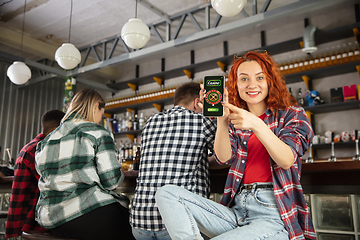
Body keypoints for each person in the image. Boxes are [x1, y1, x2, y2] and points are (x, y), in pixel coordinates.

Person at [155, 51, 316, 240]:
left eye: (260, 77)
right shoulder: (236, 120)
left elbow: (287, 159)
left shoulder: (292, 114)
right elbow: (223, 158)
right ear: (236, 85)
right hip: (236, 209)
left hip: (273, 213)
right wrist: (222, 120)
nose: (252, 84)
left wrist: (256, 124)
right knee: (166, 194)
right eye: (244, 79)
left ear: (270, 80)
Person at [34, 89, 135, 240]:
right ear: (95, 106)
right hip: (83, 213)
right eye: (102, 112)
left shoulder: (47, 140)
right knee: (137, 228)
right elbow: (111, 181)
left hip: (49, 219)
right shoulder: (98, 132)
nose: (101, 118)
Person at [130, 82, 218, 240]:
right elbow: (225, 156)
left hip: (139, 224)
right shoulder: (202, 121)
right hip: (177, 226)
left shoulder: (151, 122)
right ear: (197, 102)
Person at [6, 109, 65, 238]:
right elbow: (56, 183)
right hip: (32, 222)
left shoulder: (30, 147)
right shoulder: (41, 150)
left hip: (21, 220)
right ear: (55, 130)